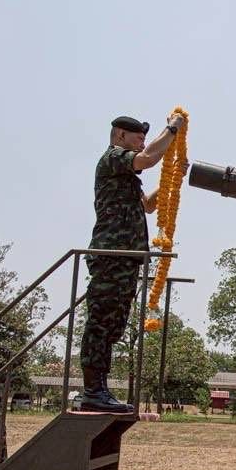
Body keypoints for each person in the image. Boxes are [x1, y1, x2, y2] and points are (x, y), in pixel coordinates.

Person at [79, 112, 187, 413]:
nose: (141, 143)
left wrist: (175, 177)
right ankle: (92, 391)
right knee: (100, 324)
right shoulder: (112, 158)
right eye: (138, 138)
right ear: (120, 136)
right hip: (111, 256)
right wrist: (172, 130)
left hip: (126, 260)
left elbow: (148, 206)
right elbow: (149, 158)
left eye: (143, 139)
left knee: (113, 326)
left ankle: (99, 390)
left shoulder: (126, 176)